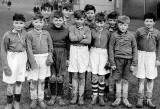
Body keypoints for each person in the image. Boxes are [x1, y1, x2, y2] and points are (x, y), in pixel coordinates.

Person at [109, 15, 138, 108]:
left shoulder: (131, 35)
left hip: (128, 60)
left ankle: (125, 98)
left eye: (125, 25)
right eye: (121, 24)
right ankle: (118, 98)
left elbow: (135, 49)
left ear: (128, 26)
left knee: (125, 80)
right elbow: (110, 49)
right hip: (117, 60)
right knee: (117, 79)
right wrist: (112, 62)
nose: (123, 27)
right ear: (117, 24)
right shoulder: (114, 35)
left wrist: (134, 63)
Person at [1, 13, 27, 109]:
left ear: (24, 24)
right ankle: (9, 103)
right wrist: (5, 65)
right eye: (16, 23)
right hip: (12, 59)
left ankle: (16, 102)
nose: (19, 25)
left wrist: (27, 62)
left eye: (21, 23)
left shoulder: (25, 33)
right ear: (13, 23)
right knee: (10, 82)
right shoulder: (7, 35)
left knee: (19, 82)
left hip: (22, 58)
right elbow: (3, 50)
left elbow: (27, 48)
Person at [26, 15, 53, 109]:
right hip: (34, 58)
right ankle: (33, 99)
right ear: (33, 22)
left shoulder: (46, 33)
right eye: (36, 22)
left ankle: (40, 99)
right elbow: (28, 49)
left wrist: (49, 56)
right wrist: (31, 61)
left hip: (44, 59)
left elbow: (50, 46)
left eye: (40, 22)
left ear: (44, 23)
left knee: (42, 80)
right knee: (33, 80)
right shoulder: (29, 34)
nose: (38, 24)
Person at [134, 12, 160, 109]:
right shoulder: (139, 31)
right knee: (141, 78)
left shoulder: (157, 33)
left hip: (151, 56)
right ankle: (140, 99)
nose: (148, 23)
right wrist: (135, 57)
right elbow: (134, 45)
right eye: (146, 21)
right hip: (141, 55)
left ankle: (149, 99)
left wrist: (157, 59)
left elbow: (158, 47)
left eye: (151, 21)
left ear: (154, 22)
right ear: (144, 21)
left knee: (150, 78)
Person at [46, 10, 69, 106]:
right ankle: (53, 96)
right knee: (52, 77)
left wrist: (68, 58)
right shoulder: (48, 30)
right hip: (51, 53)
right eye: (56, 20)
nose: (58, 22)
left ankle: (59, 96)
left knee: (60, 78)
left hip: (62, 54)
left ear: (63, 20)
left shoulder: (66, 30)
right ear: (52, 20)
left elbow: (68, 45)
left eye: (60, 20)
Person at [68, 10, 91, 105]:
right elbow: (72, 39)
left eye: (81, 19)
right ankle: (74, 96)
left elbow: (88, 41)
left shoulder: (87, 29)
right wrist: (83, 36)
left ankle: (81, 97)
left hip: (83, 51)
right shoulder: (71, 27)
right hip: (74, 51)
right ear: (74, 19)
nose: (79, 21)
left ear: (84, 19)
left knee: (82, 75)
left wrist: (79, 39)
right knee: (74, 75)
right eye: (77, 19)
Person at [90, 12, 110, 106]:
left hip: (103, 54)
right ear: (95, 22)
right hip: (94, 53)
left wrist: (109, 59)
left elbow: (110, 46)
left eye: (101, 22)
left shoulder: (107, 32)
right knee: (94, 75)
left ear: (104, 22)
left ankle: (101, 95)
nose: (99, 24)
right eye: (97, 22)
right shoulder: (92, 31)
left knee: (102, 76)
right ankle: (94, 95)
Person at [104, 11, 119, 100]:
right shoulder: (105, 28)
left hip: (116, 55)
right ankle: (105, 93)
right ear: (107, 20)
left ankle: (116, 94)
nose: (112, 22)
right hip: (106, 54)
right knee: (106, 74)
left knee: (116, 75)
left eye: (114, 20)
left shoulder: (119, 29)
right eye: (110, 20)